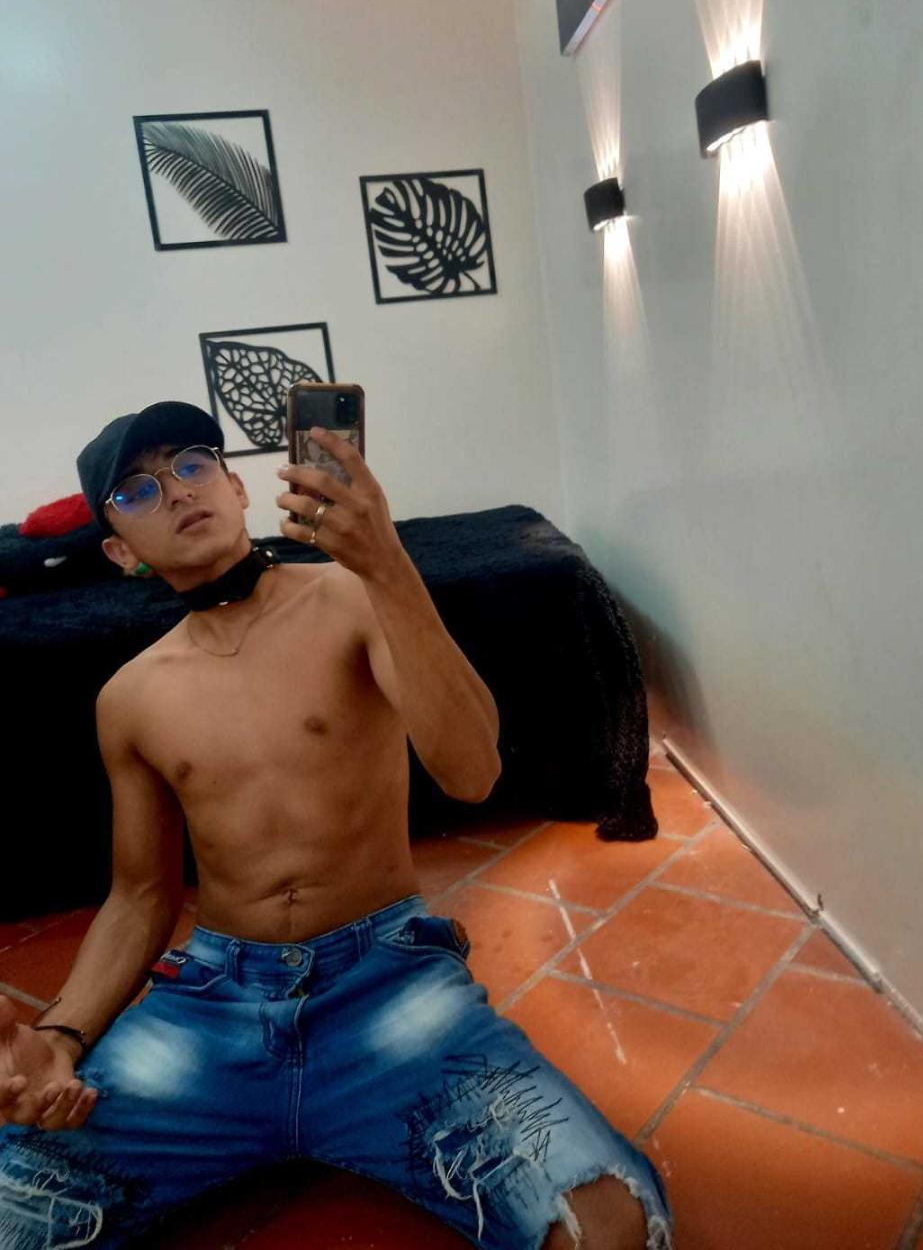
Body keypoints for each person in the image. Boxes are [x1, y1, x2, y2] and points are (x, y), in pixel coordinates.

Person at [0, 401, 674, 1250]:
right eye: (137, 491)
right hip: (210, 1015)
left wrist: (388, 563)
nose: (175, 491)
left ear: (237, 486)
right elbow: (139, 896)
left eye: (192, 464)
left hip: (389, 991)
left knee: (609, 1223)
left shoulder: (352, 599)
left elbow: (472, 773)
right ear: (120, 552)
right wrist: (61, 1034)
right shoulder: (129, 698)